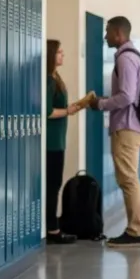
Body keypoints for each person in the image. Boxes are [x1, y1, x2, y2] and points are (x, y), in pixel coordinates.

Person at [88, 16, 140, 248]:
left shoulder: (125, 59)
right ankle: (136, 228)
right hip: (134, 126)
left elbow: (126, 97)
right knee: (129, 179)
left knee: (128, 180)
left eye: (107, 32)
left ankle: (135, 231)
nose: (105, 37)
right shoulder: (134, 57)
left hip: (127, 127)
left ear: (118, 33)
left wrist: (101, 104)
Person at [45, 40, 84, 244]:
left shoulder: (55, 77)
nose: (62, 55)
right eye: (59, 52)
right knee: (52, 185)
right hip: (51, 143)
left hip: (58, 140)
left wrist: (72, 107)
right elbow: (47, 111)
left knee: (54, 184)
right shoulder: (48, 81)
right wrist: (67, 111)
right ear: (50, 55)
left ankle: (51, 225)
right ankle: (52, 229)